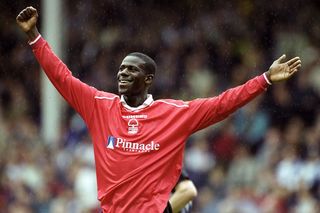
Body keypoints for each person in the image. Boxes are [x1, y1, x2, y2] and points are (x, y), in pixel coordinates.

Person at [16, 6, 301, 213]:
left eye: (131, 70)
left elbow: (222, 104)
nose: (122, 74)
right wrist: (35, 37)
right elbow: (62, 77)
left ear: (148, 80)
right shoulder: (99, 106)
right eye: (120, 69)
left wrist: (263, 79)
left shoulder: (174, 113)